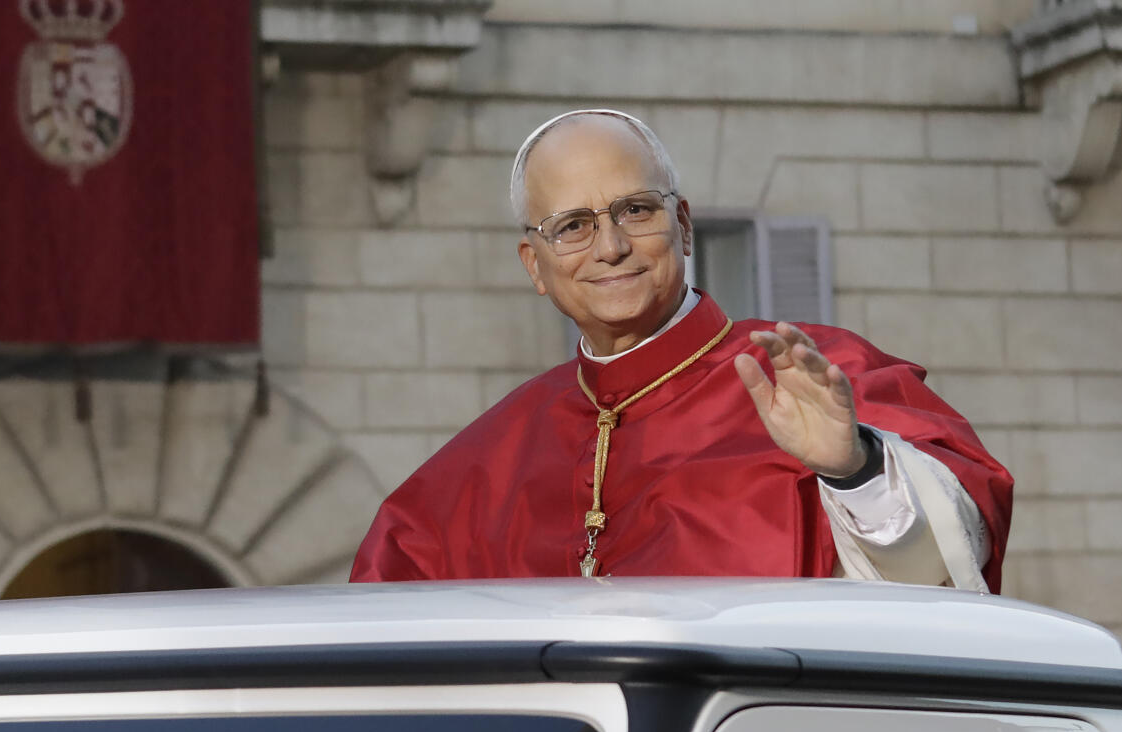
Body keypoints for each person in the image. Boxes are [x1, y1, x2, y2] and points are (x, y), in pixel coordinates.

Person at [350, 109, 1012, 591]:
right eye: (574, 226)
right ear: (534, 263)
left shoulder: (824, 378)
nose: (610, 246)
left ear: (685, 226)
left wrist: (856, 467)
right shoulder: (477, 467)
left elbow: (947, 574)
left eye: (636, 210)